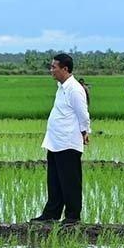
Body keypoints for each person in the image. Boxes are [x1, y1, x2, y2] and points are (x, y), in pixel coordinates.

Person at [31, 53, 90, 225]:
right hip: (55, 142)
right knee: (55, 181)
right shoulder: (61, 87)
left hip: (68, 143)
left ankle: (72, 217)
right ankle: (51, 214)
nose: (51, 70)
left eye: (54, 67)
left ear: (65, 69)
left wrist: (85, 131)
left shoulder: (75, 89)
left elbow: (83, 115)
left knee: (70, 181)